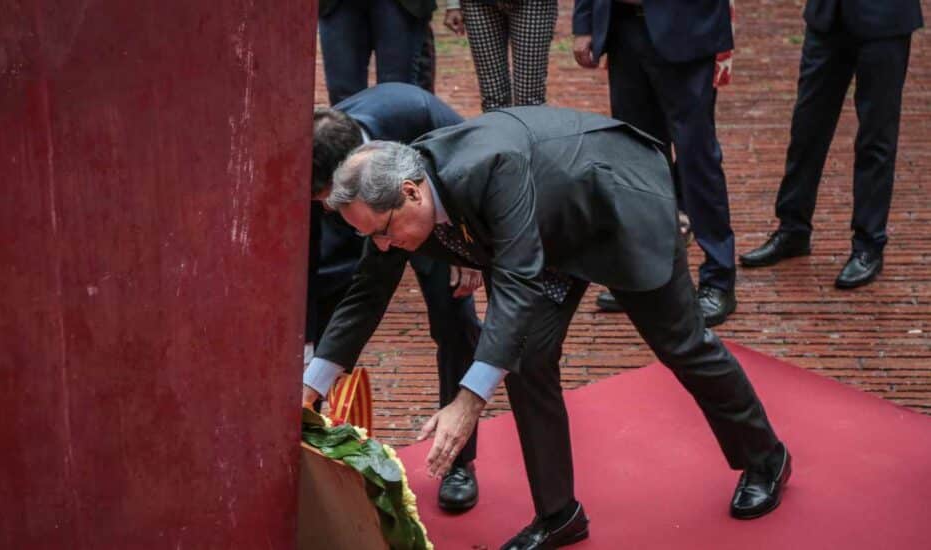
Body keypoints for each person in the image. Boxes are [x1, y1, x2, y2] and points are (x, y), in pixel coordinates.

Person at [303, 106, 791, 550]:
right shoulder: (390, 203)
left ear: (411, 192)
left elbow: (515, 284)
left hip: (614, 204)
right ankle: (559, 515)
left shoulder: (489, 168)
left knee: (681, 344)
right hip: (543, 234)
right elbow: (366, 293)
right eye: (371, 237)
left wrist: (468, 401)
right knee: (528, 360)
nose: (383, 246)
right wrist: (310, 389)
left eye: (383, 232)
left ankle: (766, 457)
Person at [307, 83, 484, 511]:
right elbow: (357, 289)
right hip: (373, 216)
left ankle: (459, 460)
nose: (322, 207)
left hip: (434, 213)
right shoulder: (317, 141)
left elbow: (473, 164)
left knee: (452, 321)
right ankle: (314, 428)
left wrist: (472, 248)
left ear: (346, 172)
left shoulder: (414, 112)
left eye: (324, 198)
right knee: (335, 300)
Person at [572, 0, 739, 326]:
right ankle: (649, 278)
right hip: (622, 28)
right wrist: (584, 23)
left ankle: (718, 278)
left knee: (697, 158)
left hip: (687, 29)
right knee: (636, 156)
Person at [740, 0, 924, 289]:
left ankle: (868, 244)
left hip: (885, 19)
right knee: (806, 128)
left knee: (875, 139)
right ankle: (793, 229)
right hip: (827, 17)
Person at [443, 0, 558, 111]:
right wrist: (453, 4)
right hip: (477, 4)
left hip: (534, 4)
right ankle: (498, 129)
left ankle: (529, 129)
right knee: (492, 100)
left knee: (530, 98)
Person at [318, 0, 437, 105]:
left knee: (397, 94)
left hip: (402, 5)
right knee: (343, 96)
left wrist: (452, 5)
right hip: (338, 5)